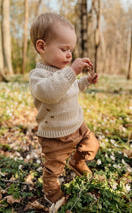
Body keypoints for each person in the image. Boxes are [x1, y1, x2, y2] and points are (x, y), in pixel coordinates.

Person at [29, 12, 100, 213]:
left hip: (77, 126)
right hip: (55, 136)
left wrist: (85, 81)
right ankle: (51, 193)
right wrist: (72, 71)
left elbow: (70, 89)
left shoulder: (65, 73)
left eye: (71, 50)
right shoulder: (38, 76)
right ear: (41, 46)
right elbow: (51, 93)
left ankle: (76, 162)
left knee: (92, 145)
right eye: (63, 49)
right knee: (53, 169)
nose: (69, 55)